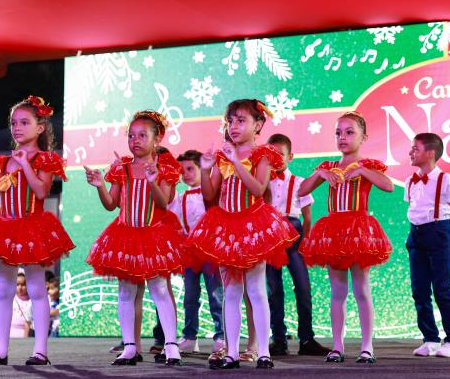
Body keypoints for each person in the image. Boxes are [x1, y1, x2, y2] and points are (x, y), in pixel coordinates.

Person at [0, 95, 74, 366]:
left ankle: (40, 351)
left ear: (40, 127)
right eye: (13, 123)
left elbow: (41, 191)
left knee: (36, 288)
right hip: (4, 229)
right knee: (5, 289)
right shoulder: (1, 162)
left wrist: (24, 165)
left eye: (24, 122)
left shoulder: (45, 159)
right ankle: (0, 350)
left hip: (32, 226)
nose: (17, 127)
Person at [186, 98, 298, 370]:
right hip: (225, 227)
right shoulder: (223, 157)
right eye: (230, 121)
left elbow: (258, 189)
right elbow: (210, 195)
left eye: (241, 120)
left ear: (258, 125)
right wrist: (205, 170)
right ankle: (232, 353)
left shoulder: (263, 155)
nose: (233, 126)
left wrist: (236, 161)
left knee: (257, 291)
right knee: (231, 292)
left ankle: (263, 352)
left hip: (252, 227)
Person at [84, 110, 186, 366]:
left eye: (142, 135)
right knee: (126, 291)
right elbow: (111, 204)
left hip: (153, 236)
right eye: (131, 135)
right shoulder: (122, 169)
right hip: (126, 236)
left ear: (157, 139)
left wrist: (152, 181)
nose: (135, 140)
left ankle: (171, 345)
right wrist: (100, 186)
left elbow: (163, 202)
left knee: (159, 289)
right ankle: (130, 346)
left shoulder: (165, 169)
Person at [298, 111, 393, 364]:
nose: (343, 137)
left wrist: (362, 171)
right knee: (338, 291)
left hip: (358, 230)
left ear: (363, 137)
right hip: (333, 233)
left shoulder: (367, 165)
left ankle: (367, 346)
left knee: (362, 289)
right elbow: (301, 190)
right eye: (338, 133)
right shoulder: (329, 167)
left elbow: (388, 186)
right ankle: (337, 346)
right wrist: (320, 175)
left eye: (350, 132)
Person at [264, 134, 330, 357]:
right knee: (274, 289)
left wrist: (306, 240)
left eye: (280, 155)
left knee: (302, 287)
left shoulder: (300, 182)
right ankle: (278, 339)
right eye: (271, 155)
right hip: (271, 236)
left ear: (290, 157)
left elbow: (307, 216)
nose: (276, 159)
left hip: (294, 236)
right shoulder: (262, 182)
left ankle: (306, 339)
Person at [404, 133, 450, 358]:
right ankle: (430, 338)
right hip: (416, 235)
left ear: (430, 153)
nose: (411, 152)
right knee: (419, 290)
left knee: (441, 288)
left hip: (439, 233)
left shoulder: (446, 179)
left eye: (415, 149)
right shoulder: (410, 181)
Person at [164, 149, 225, 355]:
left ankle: (221, 336)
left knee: (215, 294)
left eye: (190, 169)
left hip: (210, 250)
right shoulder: (180, 197)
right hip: (190, 253)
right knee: (190, 296)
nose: (186, 174)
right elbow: (176, 220)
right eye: (182, 171)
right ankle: (190, 336)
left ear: (202, 169)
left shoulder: (210, 194)